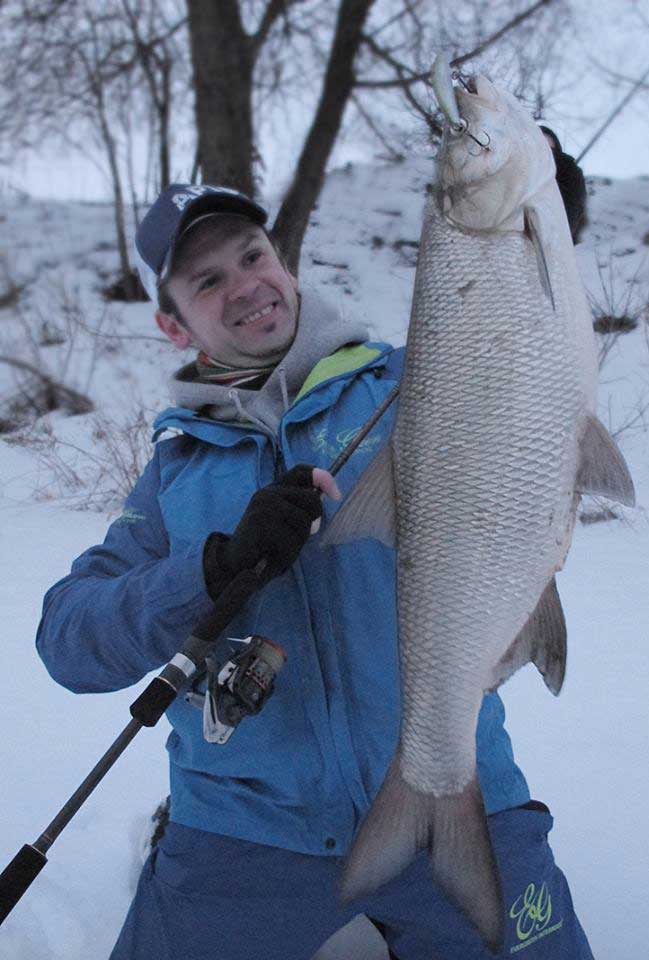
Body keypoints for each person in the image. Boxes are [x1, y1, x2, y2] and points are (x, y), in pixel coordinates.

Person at [36, 138, 593, 959]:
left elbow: (521, 344)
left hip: (464, 790)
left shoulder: (422, 382)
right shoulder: (173, 473)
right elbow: (69, 641)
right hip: (239, 830)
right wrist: (210, 568)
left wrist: (543, 223)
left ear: (282, 259)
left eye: (252, 255)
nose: (245, 286)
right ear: (171, 323)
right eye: (207, 280)